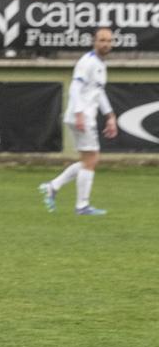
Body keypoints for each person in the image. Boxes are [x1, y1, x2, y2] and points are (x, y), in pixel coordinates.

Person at [39, 28, 117, 216]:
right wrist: (79, 113)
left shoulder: (100, 64)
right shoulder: (87, 62)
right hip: (81, 117)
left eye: (109, 41)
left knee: (88, 160)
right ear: (94, 42)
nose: (106, 44)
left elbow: (98, 92)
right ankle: (82, 206)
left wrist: (110, 115)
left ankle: (53, 186)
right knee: (92, 159)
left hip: (83, 116)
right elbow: (75, 87)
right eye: (102, 40)